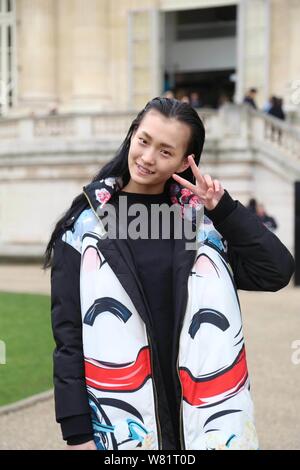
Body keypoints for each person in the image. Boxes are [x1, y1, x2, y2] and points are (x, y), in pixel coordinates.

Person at [45, 97, 294, 451]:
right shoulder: (83, 228)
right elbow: (68, 338)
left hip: (204, 416)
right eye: (143, 140)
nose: (147, 158)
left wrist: (223, 209)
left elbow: (277, 270)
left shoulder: (204, 226)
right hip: (125, 420)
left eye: (165, 151)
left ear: (185, 161)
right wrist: (78, 433)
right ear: (131, 135)